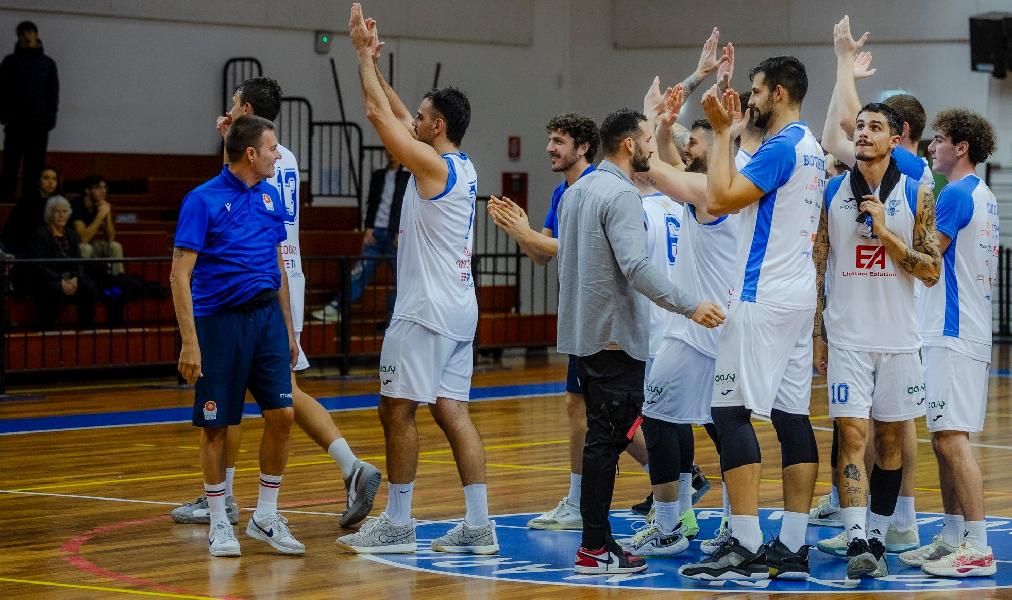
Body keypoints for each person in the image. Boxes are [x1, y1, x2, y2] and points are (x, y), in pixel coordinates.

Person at [171, 77, 380, 531]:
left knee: (259, 397)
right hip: (284, 273)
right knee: (277, 395)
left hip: (261, 281)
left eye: (232, 105)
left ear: (243, 111)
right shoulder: (283, 156)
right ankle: (346, 466)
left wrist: (228, 134)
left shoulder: (253, 160)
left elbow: (227, 199)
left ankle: (229, 497)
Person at [336, 4, 496, 555]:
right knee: (452, 411)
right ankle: (479, 524)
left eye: (424, 118)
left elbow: (382, 121)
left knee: (395, 408)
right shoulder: (461, 163)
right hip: (458, 308)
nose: (415, 122)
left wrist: (358, 56)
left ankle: (399, 522)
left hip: (424, 309)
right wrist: (377, 65)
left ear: (439, 127)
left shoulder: (432, 167)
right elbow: (401, 115)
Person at [558, 107, 723, 575]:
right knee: (605, 445)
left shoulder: (579, 189)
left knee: (601, 439)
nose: (654, 146)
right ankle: (595, 546)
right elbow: (636, 267)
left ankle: (601, 540)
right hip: (614, 339)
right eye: (649, 138)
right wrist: (689, 304)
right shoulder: (622, 195)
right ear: (629, 144)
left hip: (584, 337)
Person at [679, 57, 825, 582]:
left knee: (730, 413)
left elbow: (719, 198)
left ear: (779, 92)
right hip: (797, 297)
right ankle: (791, 545)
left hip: (761, 296)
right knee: (790, 417)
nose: (751, 98)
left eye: (757, 91)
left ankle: (742, 542)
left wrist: (722, 134)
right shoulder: (810, 147)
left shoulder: (781, 147)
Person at [487, 113, 652, 531]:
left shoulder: (597, 190)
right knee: (587, 409)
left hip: (604, 323)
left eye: (558, 140)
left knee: (605, 414)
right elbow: (543, 254)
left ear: (583, 148)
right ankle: (672, 476)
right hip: (583, 321)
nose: (549, 148)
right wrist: (520, 232)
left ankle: (671, 475)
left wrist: (524, 231)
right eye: (549, 139)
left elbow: (573, 247)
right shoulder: (563, 194)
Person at [812, 16, 929, 547]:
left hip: (899, 336)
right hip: (849, 337)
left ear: (895, 140)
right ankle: (859, 539)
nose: (861, 133)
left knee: (890, 441)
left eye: (874, 127)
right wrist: (819, 332)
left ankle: (883, 534)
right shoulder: (834, 190)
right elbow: (818, 265)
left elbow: (930, 270)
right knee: (851, 437)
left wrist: (887, 236)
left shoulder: (916, 190)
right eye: (859, 127)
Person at [171, 114, 303, 558]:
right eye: (272, 148)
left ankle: (266, 516)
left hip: (265, 319)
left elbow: (277, 265)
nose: (277, 154)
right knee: (217, 425)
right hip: (219, 324)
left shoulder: (269, 197)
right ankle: (219, 520)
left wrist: (288, 328)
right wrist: (190, 342)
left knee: (282, 416)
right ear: (251, 154)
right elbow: (178, 276)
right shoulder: (201, 200)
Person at [900, 108, 999, 578]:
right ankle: (953, 536)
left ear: (961, 147)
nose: (930, 147)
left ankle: (977, 547)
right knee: (943, 439)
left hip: (954, 331)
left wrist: (884, 233)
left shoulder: (957, 194)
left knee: (952, 441)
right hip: (957, 331)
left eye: (938, 139)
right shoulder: (979, 193)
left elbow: (925, 259)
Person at [312, 149, 410, 323]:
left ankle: (394, 321)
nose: (391, 152)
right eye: (388, 148)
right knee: (359, 271)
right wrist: (368, 226)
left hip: (396, 235)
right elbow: (372, 201)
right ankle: (337, 307)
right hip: (376, 232)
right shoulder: (379, 175)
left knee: (401, 281)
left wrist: (402, 230)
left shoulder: (408, 177)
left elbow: (409, 207)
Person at [0, 21, 58, 203]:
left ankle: (30, 203)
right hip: (16, 123)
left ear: (36, 34)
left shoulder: (48, 63)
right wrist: (3, 116)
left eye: (30, 32)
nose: (27, 35)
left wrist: (50, 120)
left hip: (39, 126)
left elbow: (53, 93)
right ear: (19, 36)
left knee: (34, 168)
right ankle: (6, 203)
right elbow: (2, 90)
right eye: (23, 33)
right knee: (10, 166)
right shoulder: (10, 61)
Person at [26, 195, 95, 330]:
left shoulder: (72, 235)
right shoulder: (41, 234)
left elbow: (78, 261)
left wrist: (75, 277)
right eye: (57, 212)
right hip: (48, 278)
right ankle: (46, 329)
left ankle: (86, 330)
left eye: (64, 211)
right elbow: (40, 265)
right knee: (53, 288)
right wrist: (60, 281)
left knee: (88, 285)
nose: (61, 215)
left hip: (69, 278)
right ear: (50, 214)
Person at [1, 164, 61, 256]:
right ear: (38, 181)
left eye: (54, 179)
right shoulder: (26, 201)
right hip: (21, 244)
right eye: (46, 178)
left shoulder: (60, 202)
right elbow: (15, 230)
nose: (50, 182)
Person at [72, 175, 124, 276]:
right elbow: (83, 239)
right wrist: (100, 216)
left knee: (115, 246)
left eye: (105, 187)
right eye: (98, 188)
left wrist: (107, 214)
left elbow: (111, 238)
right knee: (86, 248)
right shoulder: (76, 205)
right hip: (73, 247)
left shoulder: (101, 205)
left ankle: (118, 283)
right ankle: (82, 283)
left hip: (92, 245)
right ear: (87, 190)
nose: (103, 191)